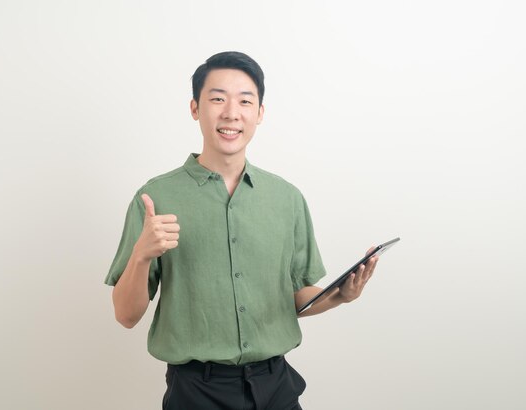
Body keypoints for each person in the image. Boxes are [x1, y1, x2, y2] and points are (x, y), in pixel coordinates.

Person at [104, 51, 378, 410]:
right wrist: (141, 255)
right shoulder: (156, 197)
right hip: (197, 393)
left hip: (276, 387)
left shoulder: (287, 198)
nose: (231, 113)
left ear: (259, 113)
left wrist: (339, 295)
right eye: (217, 98)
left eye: (245, 101)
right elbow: (126, 316)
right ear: (195, 108)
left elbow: (293, 298)